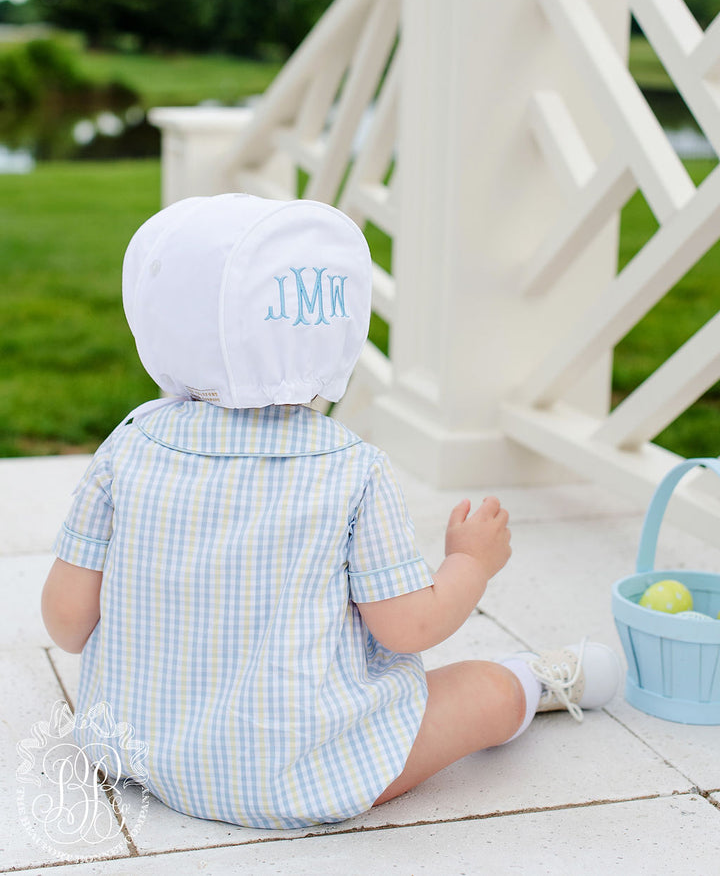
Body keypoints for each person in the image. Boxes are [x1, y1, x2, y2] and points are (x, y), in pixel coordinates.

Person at [41, 194, 620, 830]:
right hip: (296, 774)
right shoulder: (350, 468)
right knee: (479, 686)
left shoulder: (128, 445)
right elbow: (407, 628)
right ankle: (533, 682)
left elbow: (67, 624)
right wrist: (470, 564)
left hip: (134, 750)